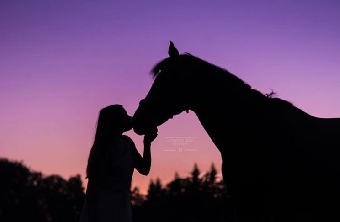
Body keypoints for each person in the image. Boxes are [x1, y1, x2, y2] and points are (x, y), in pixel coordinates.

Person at [79, 104, 157, 222]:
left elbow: (144, 169)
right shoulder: (102, 149)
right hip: (104, 204)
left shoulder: (127, 143)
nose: (129, 117)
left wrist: (147, 143)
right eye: (124, 115)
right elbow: (92, 188)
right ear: (114, 122)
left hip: (123, 204)